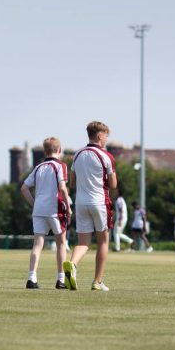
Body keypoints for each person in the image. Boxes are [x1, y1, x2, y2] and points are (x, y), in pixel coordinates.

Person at [63, 121, 117, 291]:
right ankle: (97, 281)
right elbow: (113, 184)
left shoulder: (77, 154)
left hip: (81, 203)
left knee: (83, 243)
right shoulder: (107, 156)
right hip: (99, 202)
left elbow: (72, 183)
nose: (107, 139)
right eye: (106, 136)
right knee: (103, 242)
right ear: (100, 135)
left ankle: (72, 264)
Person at [20, 137, 72, 289]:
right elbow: (62, 187)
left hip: (39, 209)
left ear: (44, 152)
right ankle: (61, 279)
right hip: (55, 209)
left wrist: (34, 204)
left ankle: (31, 278)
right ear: (59, 150)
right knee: (61, 243)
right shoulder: (60, 166)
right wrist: (69, 207)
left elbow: (24, 188)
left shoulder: (38, 167)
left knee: (37, 244)